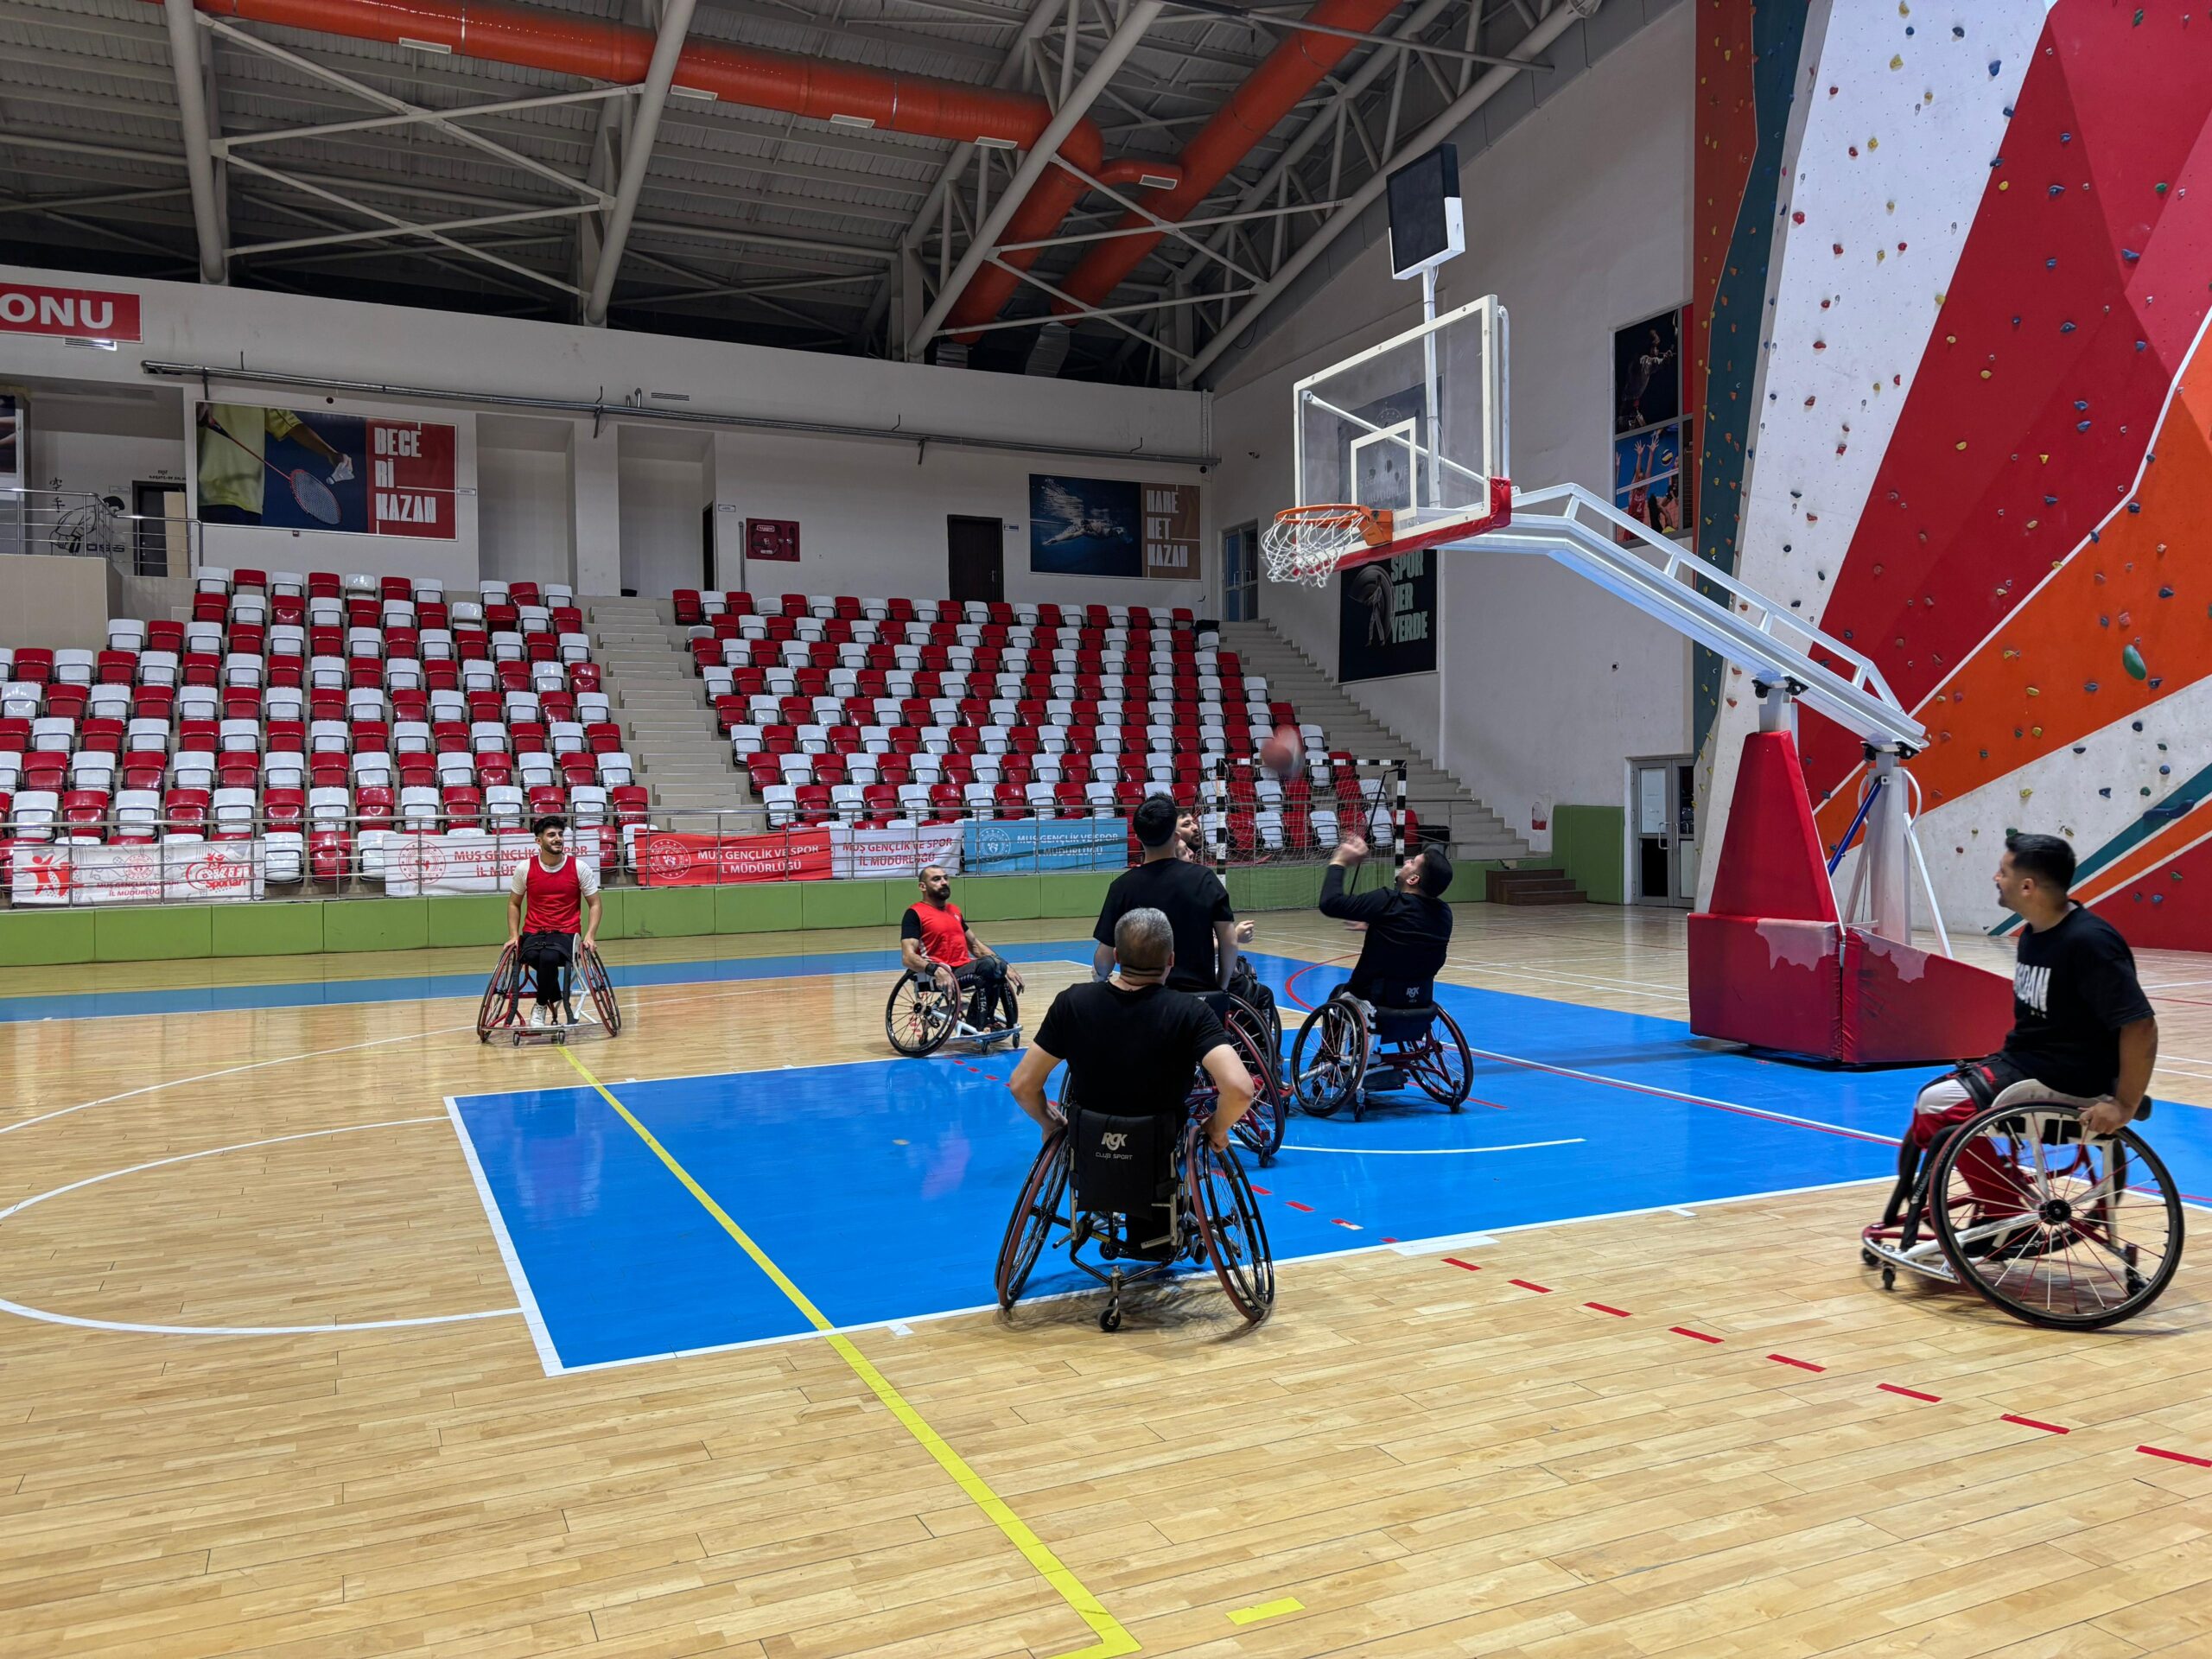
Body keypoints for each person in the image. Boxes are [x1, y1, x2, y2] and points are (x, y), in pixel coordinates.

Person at [1906, 833, 2158, 1151]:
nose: (1996, 878)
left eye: (2003, 872)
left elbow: (2141, 1026)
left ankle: (2001, 1187)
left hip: (2066, 1077)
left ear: (2027, 886)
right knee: (1929, 1104)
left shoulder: (2090, 943)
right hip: (2028, 1063)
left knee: (1936, 1107)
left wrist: (2124, 1105)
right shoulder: (2033, 934)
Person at [1010, 907, 1252, 1153]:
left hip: (1089, 1144)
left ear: (1116, 956)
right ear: (1171, 960)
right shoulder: (1192, 1011)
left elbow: (1022, 1085)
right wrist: (1216, 1128)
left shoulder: (1071, 1002)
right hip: (1160, 1146)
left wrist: (1050, 1122)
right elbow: (1240, 1090)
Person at [1092, 793, 1238, 994]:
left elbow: (1104, 960)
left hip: (1141, 1000)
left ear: (1138, 838)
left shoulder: (1121, 887)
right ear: (1176, 837)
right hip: (1196, 999)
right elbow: (1229, 942)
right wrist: (1220, 986)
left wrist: (1101, 976)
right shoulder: (1205, 879)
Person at [1319, 832, 1455, 1009]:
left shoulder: (1388, 901)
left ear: (1413, 879)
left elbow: (1330, 903)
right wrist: (1376, 925)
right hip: (1420, 1000)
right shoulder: (1444, 913)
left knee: (1338, 994)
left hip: (1372, 998)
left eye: (1413, 862)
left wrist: (1340, 861)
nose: (1407, 861)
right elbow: (1409, 929)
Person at [1177, 804, 1278, 1040]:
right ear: (1173, 838)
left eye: (1194, 822)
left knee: (1243, 969)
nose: (1195, 827)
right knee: (1261, 993)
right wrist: (1232, 938)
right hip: (1193, 977)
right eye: (1186, 824)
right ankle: (1261, 1056)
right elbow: (1185, 948)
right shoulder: (1198, 883)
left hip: (1181, 972)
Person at [899, 864, 1023, 1030]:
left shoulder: (954, 911)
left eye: (945, 878)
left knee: (996, 964)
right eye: (936, 879)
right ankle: (978, 1021)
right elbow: (908, 957)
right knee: (990, 965)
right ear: (922, 886)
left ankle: (985, 1018)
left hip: (962, 969)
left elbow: (975, 945)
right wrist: (935, 969)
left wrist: (1006, 966)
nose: (944, 882)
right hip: (938, 973)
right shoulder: (915, 913)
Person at [505, 815, 601, 1026]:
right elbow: (514, 903)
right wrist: (513, 935)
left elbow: (595, 904)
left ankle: (540, 1006)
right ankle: (555, 995)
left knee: (548, 958)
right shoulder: (525, 868)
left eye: (560, 834)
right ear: (538, 841)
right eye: (551, 835)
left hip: (566, 932)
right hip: (534, 931)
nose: (558, 838)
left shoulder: (579, 867)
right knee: (531, 955)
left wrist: (590, 936)